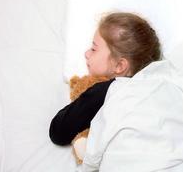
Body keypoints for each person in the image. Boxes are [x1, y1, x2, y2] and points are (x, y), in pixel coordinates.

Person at [49, 12, 162, 145]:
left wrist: (81, 100)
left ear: (119, 66)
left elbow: (58, 131)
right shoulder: (154, 89)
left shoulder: (104, 91)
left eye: (93, 49)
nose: (86, 54)